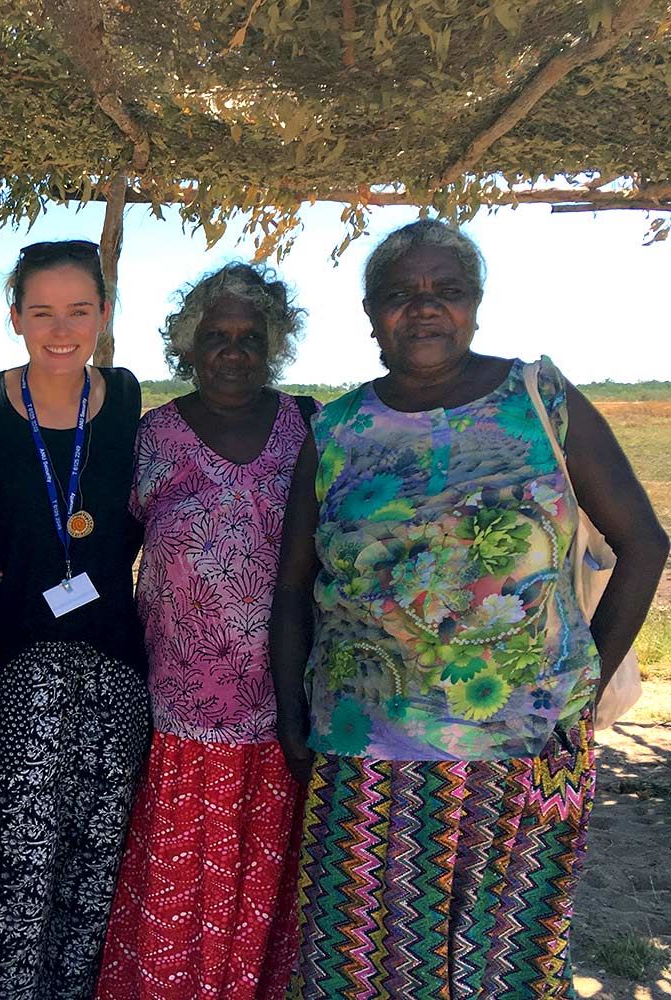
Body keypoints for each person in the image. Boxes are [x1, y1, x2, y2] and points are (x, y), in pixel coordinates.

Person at [270, 219, 668, 998]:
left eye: (446, 291)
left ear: (476, 305)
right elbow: (292, 589)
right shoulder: (339, 429)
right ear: (369, 311)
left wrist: (581, 692)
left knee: (506, 967)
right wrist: (293, 717)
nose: (424, 309)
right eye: (400, 294)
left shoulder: (539, 400)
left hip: (522, 750)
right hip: (364, 755)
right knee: (361, 970)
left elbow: (644, 544)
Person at [95, 263, 311, 1000]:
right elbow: (107, 546)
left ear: (274, 345)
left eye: (252, 336)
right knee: (179, 881)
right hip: (182, 711)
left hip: (283, 709)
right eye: (215, 336)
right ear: (187, 346)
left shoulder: (307, 426)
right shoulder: (155, 434)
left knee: (266, 884)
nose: (234, 350)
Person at [0, 240, 150, 999]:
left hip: (115, 665)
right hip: (21, 669)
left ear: (104, 313)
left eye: (79, 310)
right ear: (15, 317)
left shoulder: (130, 397)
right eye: (41, 312)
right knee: (20, 868)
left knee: (95, 865)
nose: (61, 329)